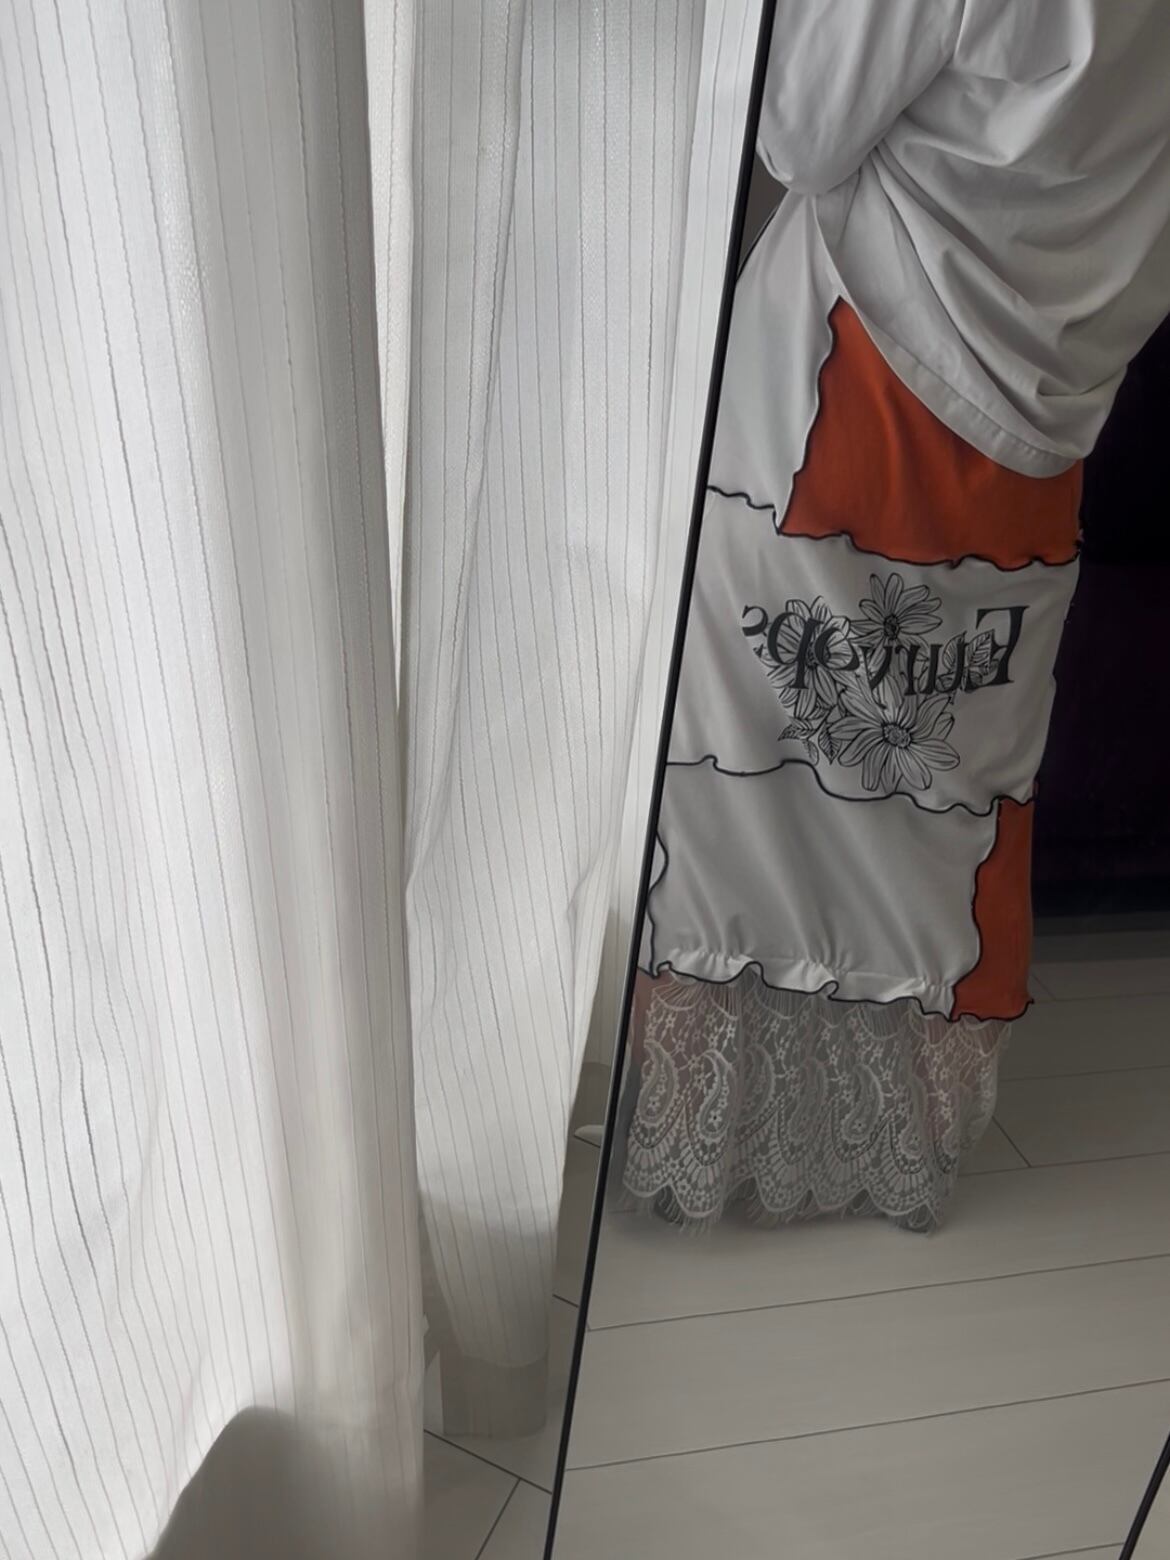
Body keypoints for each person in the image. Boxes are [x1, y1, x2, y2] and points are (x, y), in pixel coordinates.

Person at [618, 0, 1170, 1231]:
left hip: (850, 378)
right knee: (945, 801)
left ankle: (716, 1141)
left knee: (743, 766)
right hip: (1039, 434)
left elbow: (796, 126)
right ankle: (898, 1151)